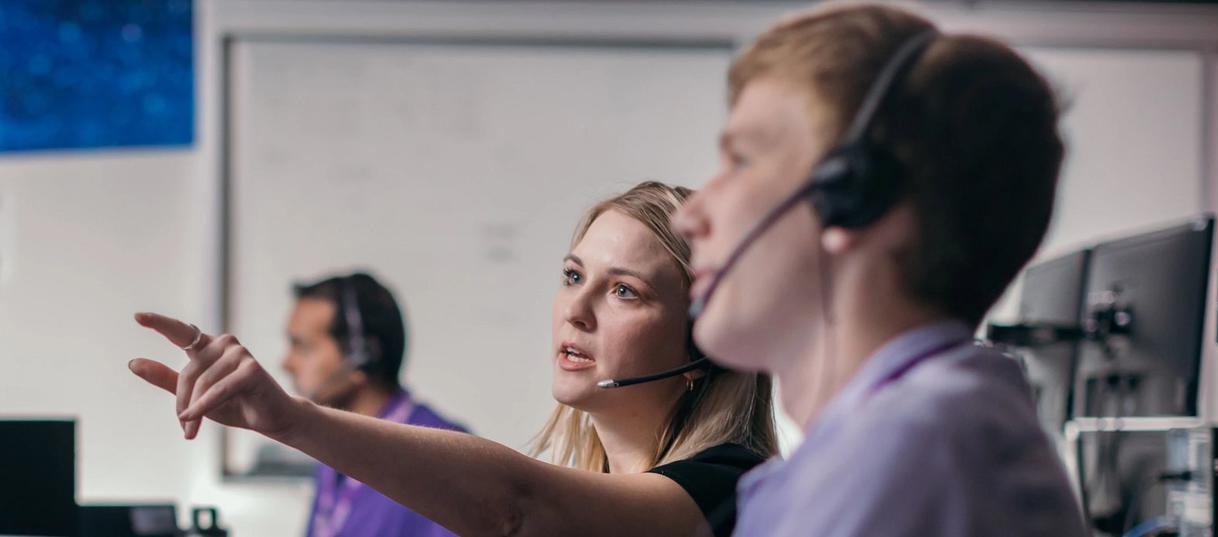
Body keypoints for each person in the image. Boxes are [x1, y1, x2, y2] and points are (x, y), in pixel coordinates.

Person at [127, 181, 777, 537]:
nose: (576, 310)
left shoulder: (730, 486)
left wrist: (291, 418)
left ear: (705, 346)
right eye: (573, 276)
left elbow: (515, 507)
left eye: (624, 290)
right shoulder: (585, 480)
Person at [669, 4, 1086, 536]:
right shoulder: (932, 431)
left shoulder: (912, 448)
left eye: (742, 161)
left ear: (854, 195)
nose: (689, 216)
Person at [283, 272, 467, 537]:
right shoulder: (332, 445)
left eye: (302, 347)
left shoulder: (443, 454)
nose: (286, 362)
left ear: (363, 356)